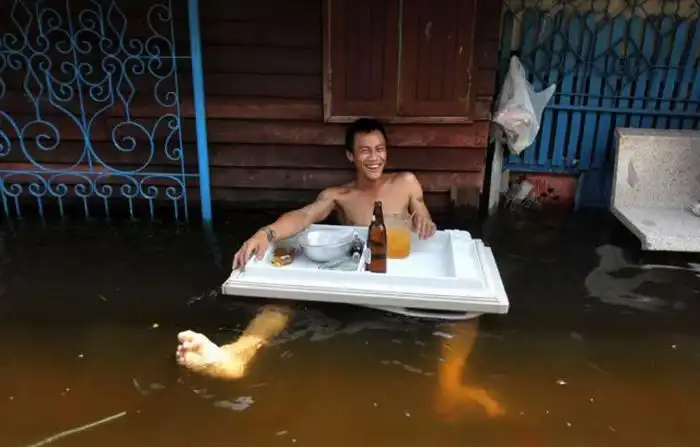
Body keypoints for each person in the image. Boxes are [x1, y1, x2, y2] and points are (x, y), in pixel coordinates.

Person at [175, 118, 504, 418]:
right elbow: (305, 216)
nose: (374, 157)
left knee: (465, 308)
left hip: (402, 274)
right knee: (282, 298)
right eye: (365, 150)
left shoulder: (405, 182)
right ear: (350, 156)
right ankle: (237, 356)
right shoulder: (339, 196)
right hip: (358, 285)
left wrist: (423, 219)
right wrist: (265, 233)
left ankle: (450, 384)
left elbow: (420, 209)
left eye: (380, 149)